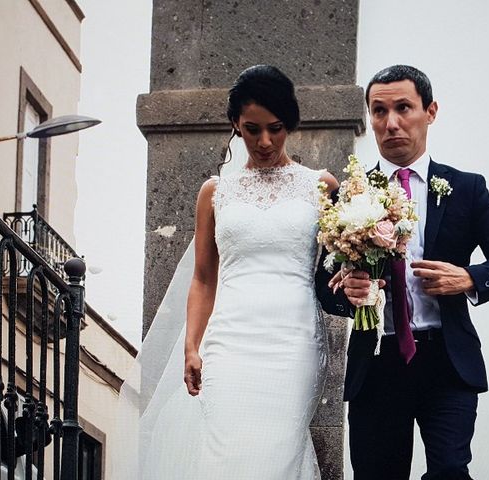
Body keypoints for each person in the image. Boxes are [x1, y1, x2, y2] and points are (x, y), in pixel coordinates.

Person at [113, 65, 338, 479]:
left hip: (293, 343)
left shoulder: (321, 186)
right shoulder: (215, 192)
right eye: (252, 129)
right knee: (224, 454)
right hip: (229, 344)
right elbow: (202, 278)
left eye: (275, 128)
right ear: (235, 124)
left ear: (290, 123)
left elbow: (345, 266)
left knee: (280, 452)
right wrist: (192, 346)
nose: (265, 141)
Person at [315, 65, 489, 480]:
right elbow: (323, 288)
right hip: (377, 366)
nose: (391, 122)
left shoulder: (467, 188)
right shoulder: (348, 195)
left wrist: (469, 278)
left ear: (430, 111)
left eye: (403, 108)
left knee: (451, 471)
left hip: (447, 362)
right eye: (379, 111)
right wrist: (349, 293)